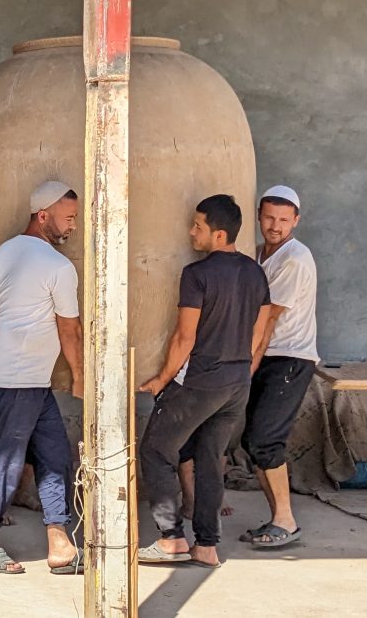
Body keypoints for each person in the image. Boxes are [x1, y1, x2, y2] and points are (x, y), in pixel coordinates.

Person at [138, 195, 271, 569]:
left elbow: (185, 338)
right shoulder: (255, 273)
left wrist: (162, 379)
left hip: (201, 381)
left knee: (156, 450)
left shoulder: (197, 274)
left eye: (198, 226)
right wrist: (240, 368)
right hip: (237, 383)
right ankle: (207, 546)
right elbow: (259, 331)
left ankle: (171, 539)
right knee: (211, 460)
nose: (191, 232)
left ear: (219, 234)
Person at [0, 181, 84, 575]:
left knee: (55, 456)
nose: (73, 226)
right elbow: (70, 330)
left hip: (27, 379)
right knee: (6, 461)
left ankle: (59, 540)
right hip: (15, 379)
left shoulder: (4, 252)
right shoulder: (58, 266)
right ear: (43, 216)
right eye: (68, 218)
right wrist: (80, 376)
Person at [239, 185, 317, 548]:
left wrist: (248, 367)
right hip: (269, 356)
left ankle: (286, 520)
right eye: (269, 217)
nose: (275, 226)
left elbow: (268, 320)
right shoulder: (258, 254)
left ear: (296, 221)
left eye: (284, 220)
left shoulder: (294, 259)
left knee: (265, 439)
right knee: (253, 441)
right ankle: (277, 520)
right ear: (258, 216)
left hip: (289, 358)